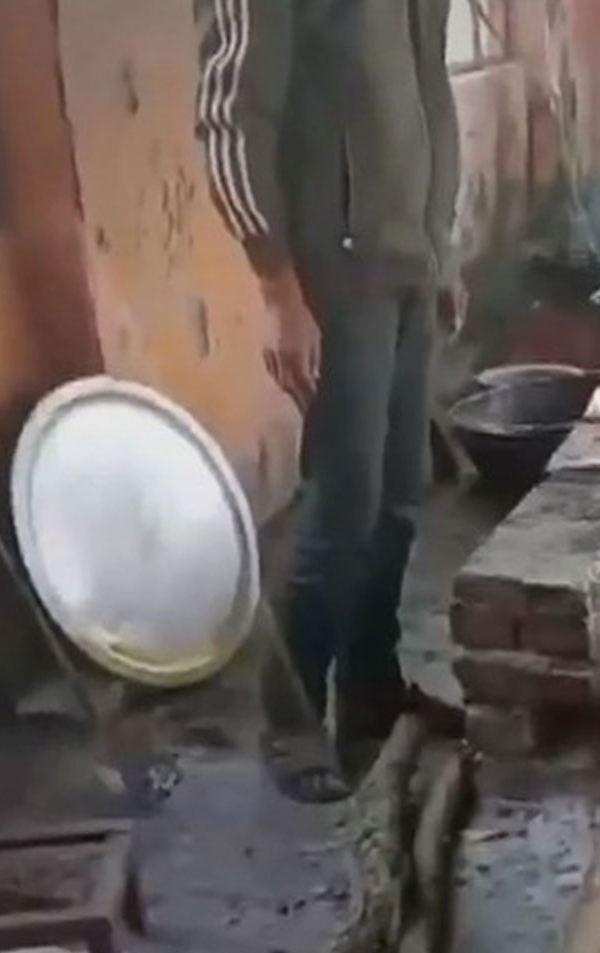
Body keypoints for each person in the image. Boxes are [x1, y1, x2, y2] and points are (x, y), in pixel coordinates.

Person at [194, 0, 462, 801]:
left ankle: (371, 685)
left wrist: (441, 249)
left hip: (407, 261)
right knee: (346, 499)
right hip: (335, 273)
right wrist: (279, 289)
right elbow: (231, 115)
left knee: (403, 493)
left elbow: (429, 94)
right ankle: (292, 714)